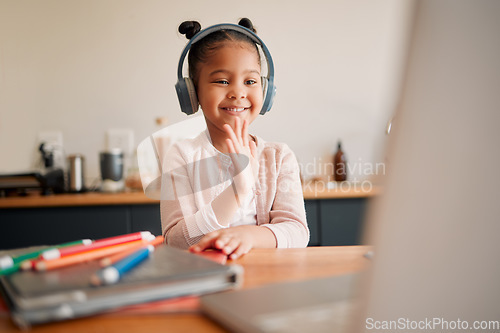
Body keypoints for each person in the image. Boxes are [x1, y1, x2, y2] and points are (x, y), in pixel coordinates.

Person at [161, 18, 308, 259]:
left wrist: (247, 237)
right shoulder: (181, 156)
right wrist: (237, 191)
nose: (238, 92)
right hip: (204, 279)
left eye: (250, 81)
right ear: (192, 92)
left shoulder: (279, 157)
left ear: (266, 90)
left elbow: (297, 232)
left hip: (266, 282)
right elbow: (175, 241)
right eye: (222, 81)